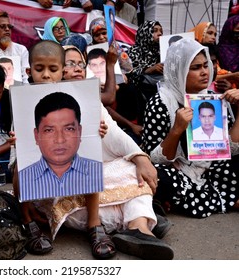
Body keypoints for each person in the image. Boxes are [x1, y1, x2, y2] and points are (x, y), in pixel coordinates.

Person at [19, 40, 173, 260]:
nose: (74, 69)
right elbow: (24, 157)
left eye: (78, 64)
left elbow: (114, 135)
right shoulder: (25, 101)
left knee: (133, 170)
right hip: (59, 184)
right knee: (122, 190)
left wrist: (139, 157)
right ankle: (139, 219)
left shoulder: (88, 99)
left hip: (95, 174)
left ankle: (139, 229)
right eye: (69, 64)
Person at [142, 38, 239, 218]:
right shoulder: (160, 104)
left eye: (205, 65)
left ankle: (212, 197)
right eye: (195, 68)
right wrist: (176, 130)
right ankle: (228, 198)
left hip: (214, 169)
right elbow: (151, 159)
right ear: (180, 70)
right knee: (156, 175)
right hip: (179, 172)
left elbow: (230, 148)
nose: (204, 72)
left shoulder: (211, 98)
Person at [19, 92, 103, 201]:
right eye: (49, 130)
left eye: (69, 129)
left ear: (80, 132)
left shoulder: (96, 171)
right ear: (36, 136)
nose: (60, 140)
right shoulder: (24, 177)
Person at [0, 11, 29, 84]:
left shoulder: (21, 50)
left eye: (9, 27)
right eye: (2, 26)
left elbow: (25, 77)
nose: (7, 29)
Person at [127, 20, 164, 101]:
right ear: (145, 32)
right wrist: (149, 69)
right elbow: (129, 72)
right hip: (140, 90)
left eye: (161, 31)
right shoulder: (134, 51)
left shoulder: (162, 50)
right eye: (155, 31)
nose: (160, 34)